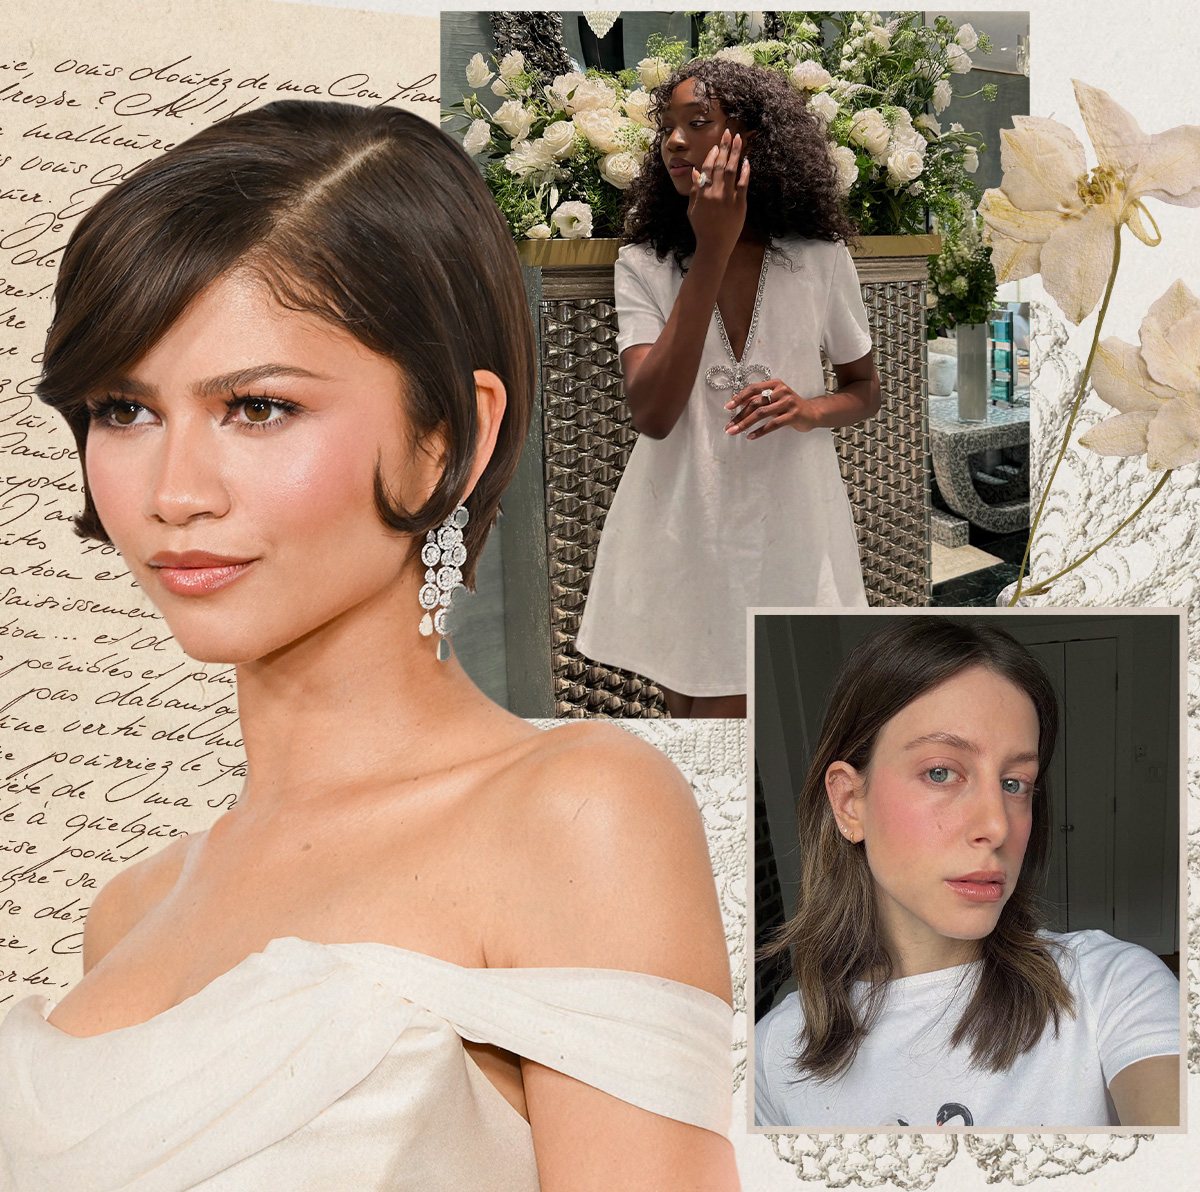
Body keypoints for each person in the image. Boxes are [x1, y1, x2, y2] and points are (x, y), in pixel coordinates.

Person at [0, 102, 740, 1192]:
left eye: (256, 408)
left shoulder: (581, 812)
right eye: (124, 410)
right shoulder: (129, 911)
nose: (173, 494)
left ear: (453, 434)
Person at [754, 617, 1180, 1129]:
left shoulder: (1113, 987)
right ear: (850, 803)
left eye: (1015, 783)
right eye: (941, 772)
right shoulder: (770, 1056)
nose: (997, 825)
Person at [575, 59, 881, 720]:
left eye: (698, 122)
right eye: (667, 127)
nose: (676, 141)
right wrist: (711, 249)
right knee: (694, 714)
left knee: (779, 710)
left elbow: (864, 389)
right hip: (686, 522)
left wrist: (808, 408)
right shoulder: (645, 265)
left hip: (791, 522)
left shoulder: (819, 260)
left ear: (752, 137)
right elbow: (653, 413)